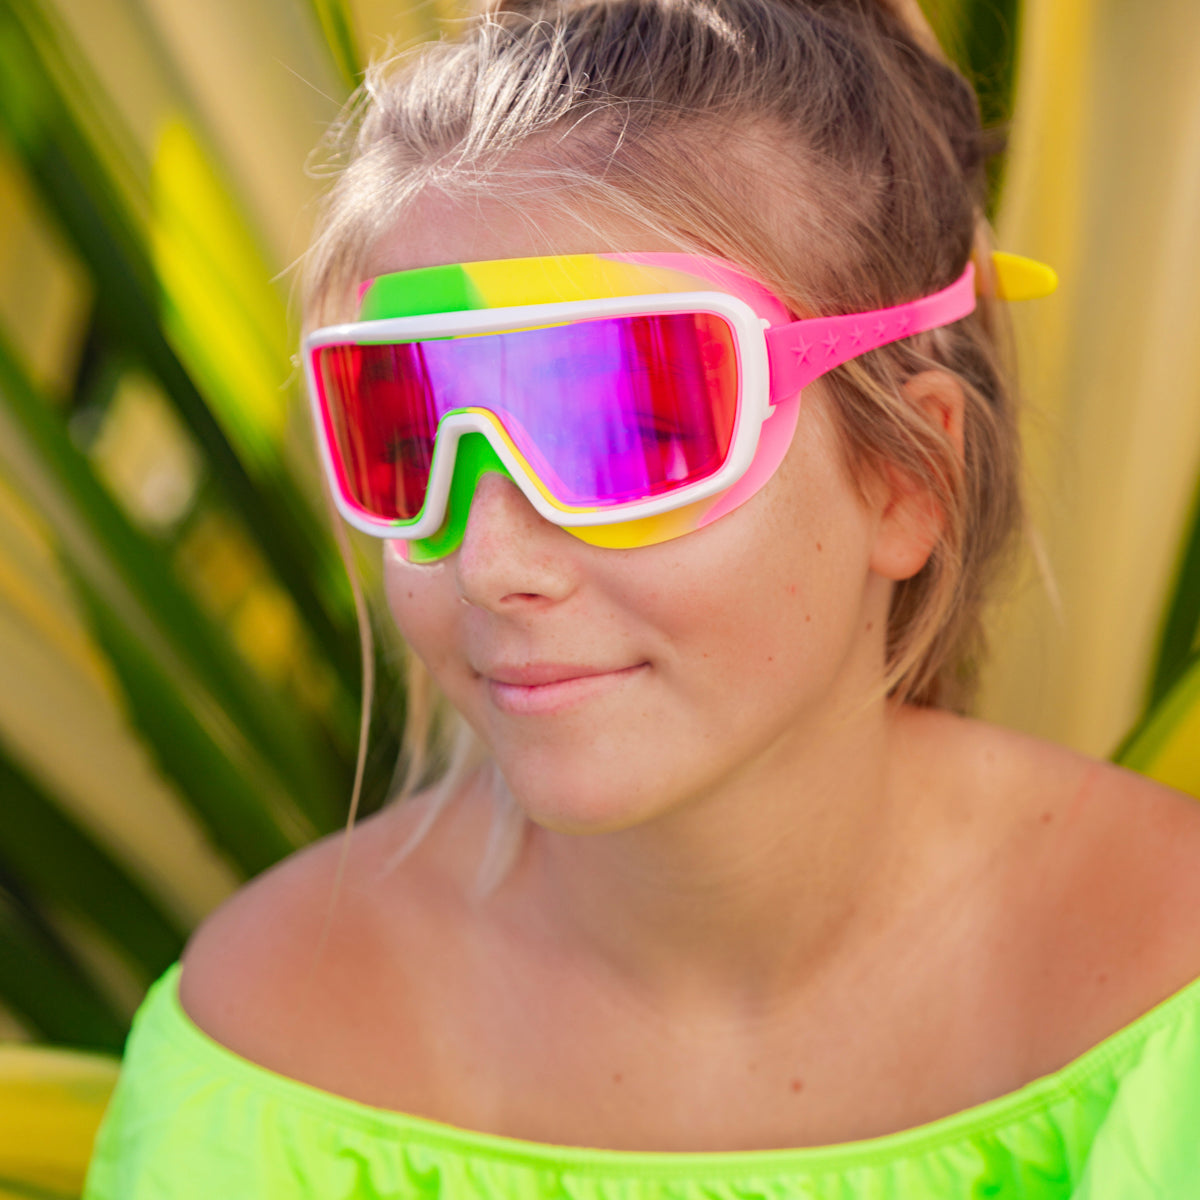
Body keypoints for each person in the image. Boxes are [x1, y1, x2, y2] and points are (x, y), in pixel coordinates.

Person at [85, 1, 1200, 1195]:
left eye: (632, 426)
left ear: (906, 480)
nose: (492, 561)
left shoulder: (1163, 978)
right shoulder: (269, 1043)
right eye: (407, 428)